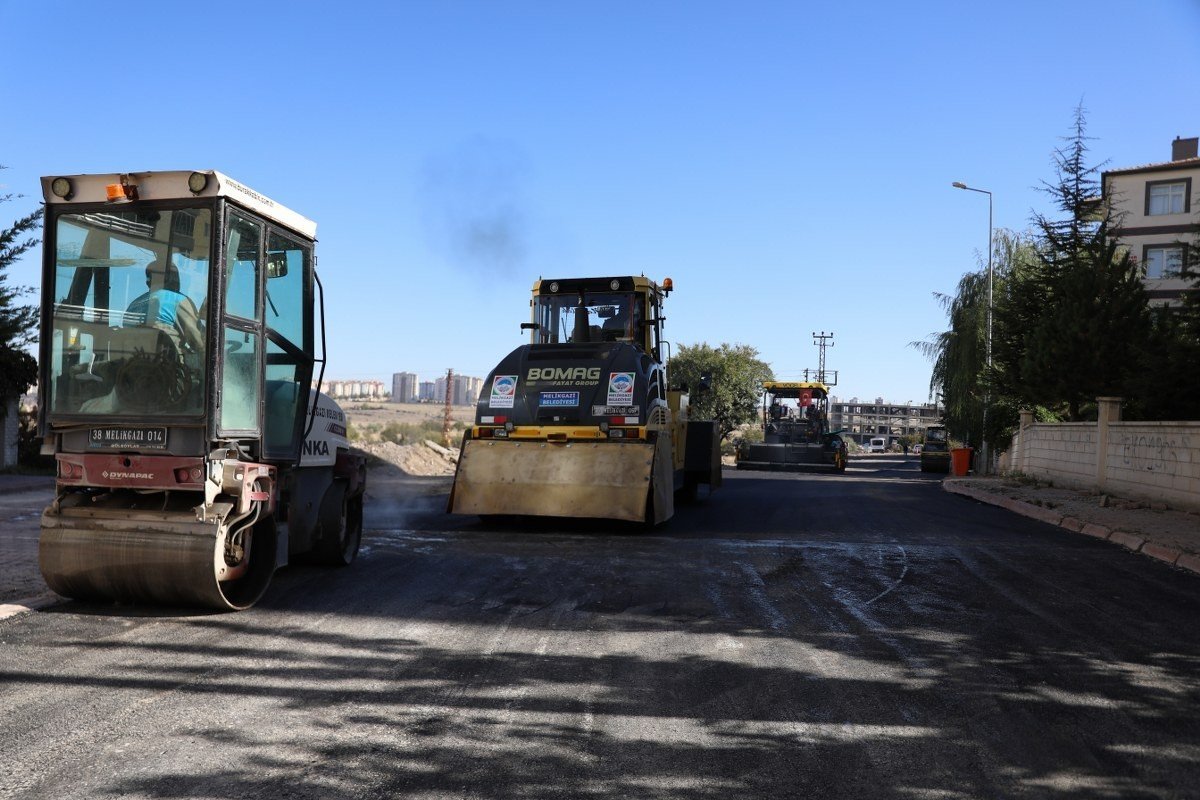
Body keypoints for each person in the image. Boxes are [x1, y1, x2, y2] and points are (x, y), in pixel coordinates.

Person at [126, 260, 204, 353]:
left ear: (148, 281)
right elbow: (199, 341)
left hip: (132, 363)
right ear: (171, 278)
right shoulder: (177, 300)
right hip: (167, 364)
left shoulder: (133, 304)